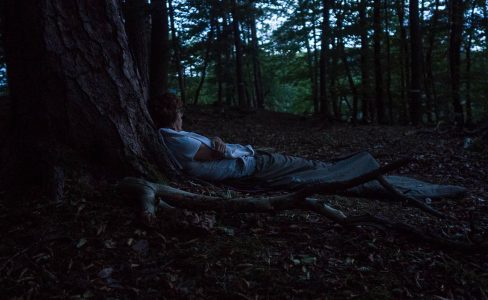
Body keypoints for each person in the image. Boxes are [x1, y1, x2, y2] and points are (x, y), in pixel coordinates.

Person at [149, 93, 467, 201]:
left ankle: (410, 186)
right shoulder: (173, 138)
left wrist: (222, 145)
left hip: (255, 160)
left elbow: (214, 151)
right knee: (323, 174)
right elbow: (214, 154)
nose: (182, 116)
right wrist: (219, 144)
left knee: (321, 170)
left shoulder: (173, 137)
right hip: (258, 166)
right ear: (172, 114)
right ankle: (421, 189)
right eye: (180, 112)